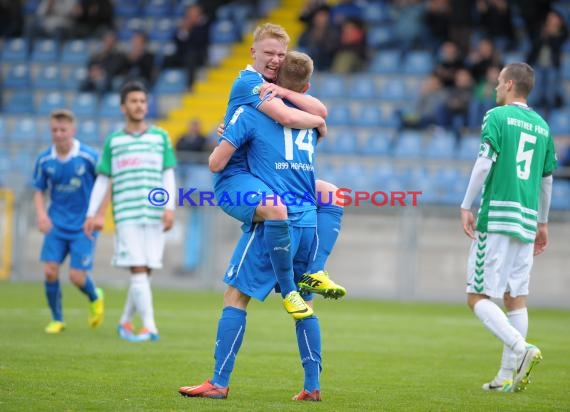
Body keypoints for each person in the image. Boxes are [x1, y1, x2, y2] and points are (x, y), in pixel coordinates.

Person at [179, 51, 325, 401]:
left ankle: (218, 381)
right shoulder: (312, 123)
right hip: (309, 223)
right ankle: (313, 386)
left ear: (270, 82)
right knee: (304, 306)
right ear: (304, 87)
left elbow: (217, 162)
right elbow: (318, 117)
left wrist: (228, 129)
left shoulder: (249, 113)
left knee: (235, 297)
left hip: (274, 224)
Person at [211, 23, 346, 318]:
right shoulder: (248, 82)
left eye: (280, 55)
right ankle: (289, 291)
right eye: (269, 53)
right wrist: (317, 124)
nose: (275, 59)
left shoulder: (276, 88)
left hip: (265, 176)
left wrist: (290, 95)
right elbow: (288, 116)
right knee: (277, 209)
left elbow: (320, 110)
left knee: (332, 194)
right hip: (240, 178)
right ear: (253, 51)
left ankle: (316, 271)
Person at [460, 62, 557, 392]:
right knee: (516, 297)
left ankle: (522, 348)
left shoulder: (496, 116)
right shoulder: (543, 127)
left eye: (500, 82)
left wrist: (465, 204)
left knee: (477, 296)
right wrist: (543, 223)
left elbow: (485, 161)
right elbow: (547, 180)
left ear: (511, 84)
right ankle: (505, 377)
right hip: (527, 220)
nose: (496, 87)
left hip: (498, 216)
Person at [84, 81, 176, 342]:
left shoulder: (160, 137)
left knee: (145, 271)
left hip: (155, 215)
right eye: (134, 101)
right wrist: (92, 214)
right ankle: (150, 327)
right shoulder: (114, 141)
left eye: (143, 101)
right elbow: (103, 179)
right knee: (138, 269)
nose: (139, 105)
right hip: (126, 214)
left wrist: (169, 208)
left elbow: (168, 175)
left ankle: (125, 321)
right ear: (123, 107)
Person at [33, 109, 105, 334]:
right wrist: (42, 215)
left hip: (83, 225)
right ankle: (57, 319)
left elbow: (105, 184)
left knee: (76, 277)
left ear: (72, 130)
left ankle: (95, 296)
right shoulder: (45, 159)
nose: (59, 134)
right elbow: (38, 190)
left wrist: (99, 215)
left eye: (63, 129)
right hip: (56, 224)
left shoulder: (88, 156)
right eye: (55, 129)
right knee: (50, 271)